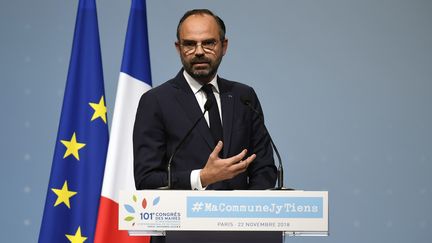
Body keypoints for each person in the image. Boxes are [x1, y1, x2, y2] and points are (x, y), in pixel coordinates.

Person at [133, 9, 277, 192]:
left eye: (208, 43)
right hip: (184, 218)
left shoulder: (244, 96)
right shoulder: (156, 101)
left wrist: (247, 209)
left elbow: (264, 168)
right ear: (179, 49)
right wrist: (201, 177)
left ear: (224, 46)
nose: (199, 51)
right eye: (190, 44)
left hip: (240, 218)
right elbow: (146, 179)